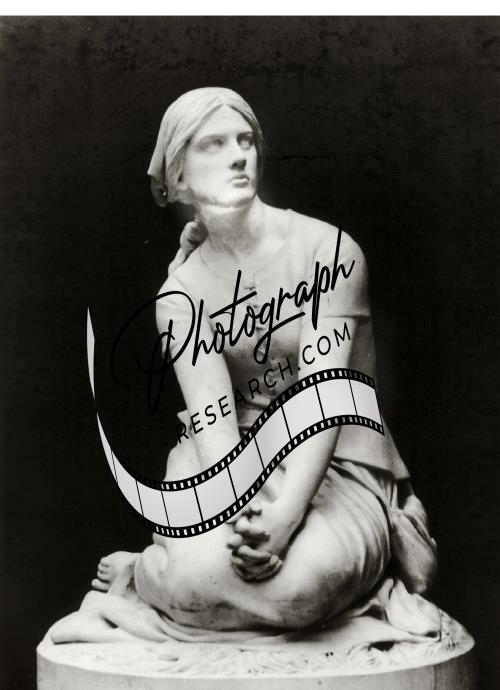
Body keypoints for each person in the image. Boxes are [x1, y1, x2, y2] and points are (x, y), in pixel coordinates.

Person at [50, 88, 440, 645]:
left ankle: (154, 576)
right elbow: (213, 423)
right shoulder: (181, 294)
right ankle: (148, 574)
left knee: (300, 588)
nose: (238, 155)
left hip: (335, 462)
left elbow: (324, 401)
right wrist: (243, 512)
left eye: (246, 140)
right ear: (179, 177)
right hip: (228, 461)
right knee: (197, 580)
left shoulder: (328, 252)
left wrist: (284, 519)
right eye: (214, 144)